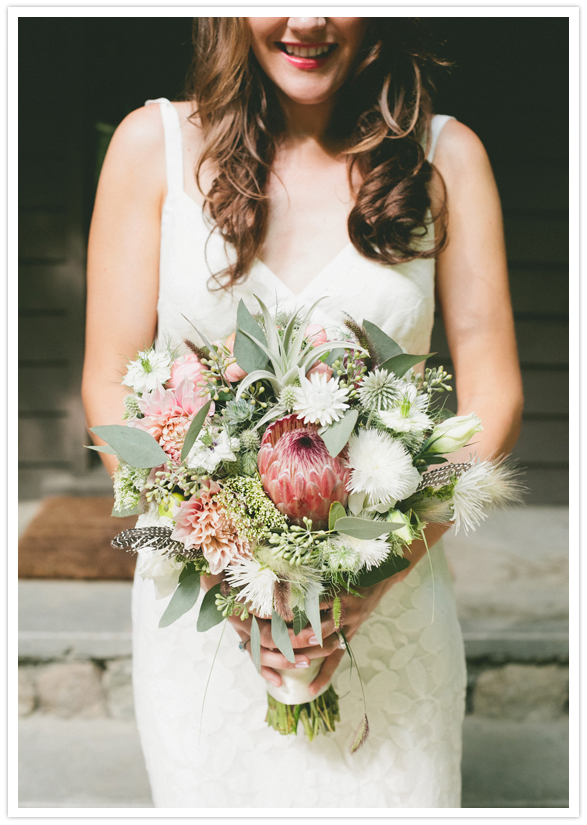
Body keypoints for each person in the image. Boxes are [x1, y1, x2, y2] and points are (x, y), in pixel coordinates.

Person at [82, 17, 523, 808]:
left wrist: (371, 577)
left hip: (391, 608)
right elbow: (108, 383)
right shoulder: (150, 148)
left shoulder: (446, 156)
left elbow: (494, 394)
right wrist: (228, 565)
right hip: (208, 619)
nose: (308, 17)